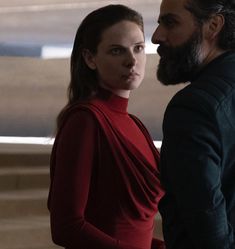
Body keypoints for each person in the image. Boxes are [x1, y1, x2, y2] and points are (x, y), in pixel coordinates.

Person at [47, 4, 165, 249]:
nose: (131, 60)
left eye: (138, 48)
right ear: (90, 59)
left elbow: (132, 226)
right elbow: (66, 227)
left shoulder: (135, 124)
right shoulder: (86, 122)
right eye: (116, 51)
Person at [151, 0, 235, 248]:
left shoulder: (193, 108)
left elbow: (208, 226)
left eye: (170, 22)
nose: (156, 36)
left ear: (213, 25)